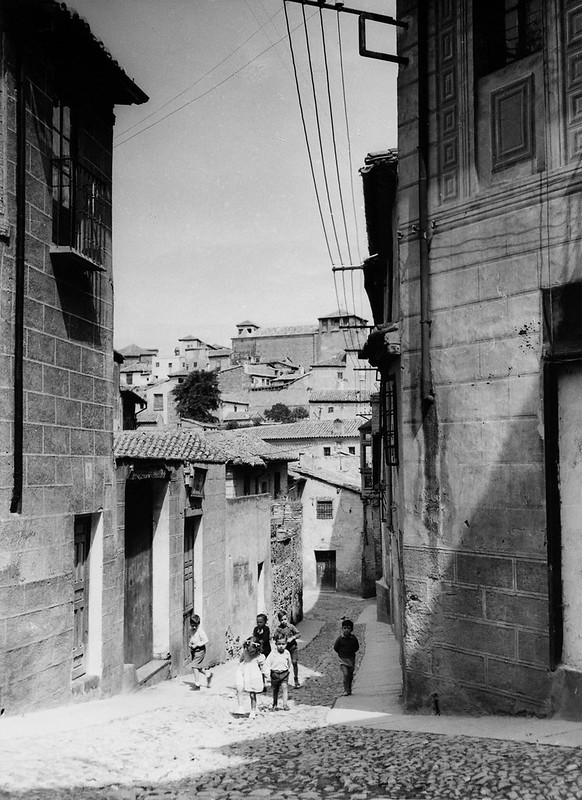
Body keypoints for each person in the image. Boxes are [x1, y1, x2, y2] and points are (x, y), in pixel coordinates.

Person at [235, 636, 266, 719]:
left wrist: (265, 674)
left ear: (257, 648)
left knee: (252, 694)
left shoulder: (259, 657)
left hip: (252, 676)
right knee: (239, 689)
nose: (250, 652)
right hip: (243, 672)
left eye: (252, 651)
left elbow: (263, 667)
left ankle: (253, 710)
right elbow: (241, 660)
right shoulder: (245, 652)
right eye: (248, 650)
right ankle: (240, 706)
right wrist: (241, 667)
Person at [263, 635, 292, 711]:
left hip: (284, 673)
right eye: (279, 644)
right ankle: (275, 703)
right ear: (276, 644)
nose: (281, 646)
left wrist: (287, 668)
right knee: (275, 690)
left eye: (283, 644)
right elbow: (267, 662)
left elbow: (289, 662)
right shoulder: (273, 653)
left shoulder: (287, 653)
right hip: (275, 674)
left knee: (284, 688)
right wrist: (266, 671)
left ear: (286, 644)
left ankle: (285, 704)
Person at [273, 610, 301, 688]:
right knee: (284, 665)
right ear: (279, 620)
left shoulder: (291, 626)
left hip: (293, 648)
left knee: (294, 662)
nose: (283, 621)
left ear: (287, 619)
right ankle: (283, 680)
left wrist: (292, 637)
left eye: (285, 619)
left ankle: (296, 679)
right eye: (281, 620)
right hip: (284, 650)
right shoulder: (278, 629)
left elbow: (299, 634)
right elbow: (275, 637)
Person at [333, 618, 359, 696]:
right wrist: (341, 653)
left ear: (351, 629)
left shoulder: (353, 638)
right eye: (345, 628)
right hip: (343, 659)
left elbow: (356, 647)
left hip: (351, 659)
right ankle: (346, 690)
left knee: (350, 675)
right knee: (346, 674)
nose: (346, 630)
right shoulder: (340, 639)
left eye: (348, 628)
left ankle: (349, 688)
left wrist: (351, 652)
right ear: (342, 629)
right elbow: (336, 647)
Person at [189, 614, 213, 690]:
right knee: (197, 667)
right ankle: (208, 674)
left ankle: (197, 684)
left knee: (194, 666)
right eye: (192, 625)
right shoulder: (191, 630)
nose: (194, 627)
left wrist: (197, 645)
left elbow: (206, 640)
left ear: (198, 624)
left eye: (195, 626)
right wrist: (190, 643)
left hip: (200, 650)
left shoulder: (200, 631)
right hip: (194, 650)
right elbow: (192, 637)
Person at [253, 613, 271, 692]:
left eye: (261, 622)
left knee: (265, 668)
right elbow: (254, 638)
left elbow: (265, 639)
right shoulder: (255, 629)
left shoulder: (266, 629)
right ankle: (262, 685)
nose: (259, 624)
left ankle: (270, 682)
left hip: (265, 651)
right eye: (258, 622)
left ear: (265, 622)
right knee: (259, 668)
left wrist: (260, 642)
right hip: (258, 651)